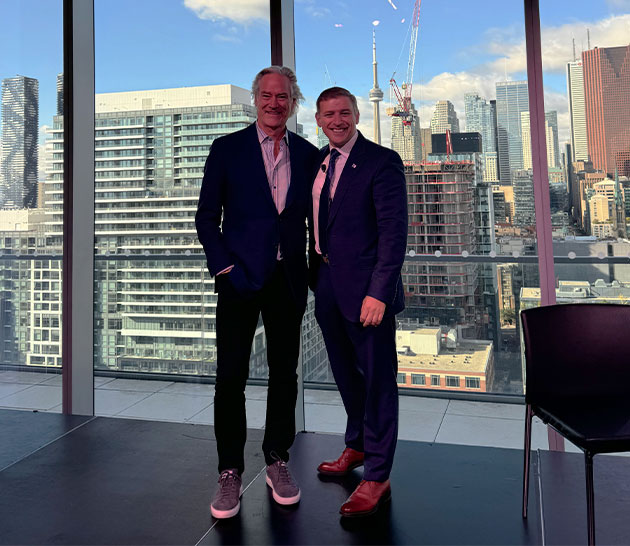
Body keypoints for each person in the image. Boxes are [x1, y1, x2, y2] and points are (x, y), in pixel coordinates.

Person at [196, 66, 318, 519]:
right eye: (266, 95)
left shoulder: (308, 154)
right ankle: (229, 471)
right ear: (255, 99)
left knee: (284, 376)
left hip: (287, 282)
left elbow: (316, 219)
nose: (273, 103)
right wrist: (226, 268)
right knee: (231, 377)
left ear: (292, 101)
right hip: (239, 280)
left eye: (282, 96)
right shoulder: (226, 149)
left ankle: (277, 460)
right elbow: (206, 218)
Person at [309, 87, 407, 517]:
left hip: (368, 292)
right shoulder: (320, 162)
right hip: (327, 283)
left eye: (344, 113)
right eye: (329, 114)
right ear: (318, 119)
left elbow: (394, 233)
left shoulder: (382, 162)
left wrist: (378, 292)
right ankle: (358, 445)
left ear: (356, 114)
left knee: (378, 382)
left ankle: (378, 475)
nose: (337, 120)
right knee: (346, 375)